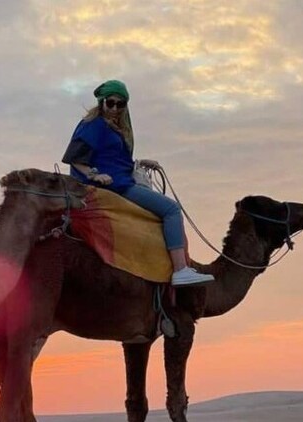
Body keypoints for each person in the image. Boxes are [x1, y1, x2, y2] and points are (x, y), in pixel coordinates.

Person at [62, 79, 214, 287]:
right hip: (116, 186)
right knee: (170, 209)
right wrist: (93, 175)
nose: (115, 108)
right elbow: (75, 157)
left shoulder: (112, 128)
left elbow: (112, 159)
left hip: (120, 180)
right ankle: (180, 270)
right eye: (111, 103)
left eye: (120, 104)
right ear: (102, 102)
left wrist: (139, 163)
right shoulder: (93, 125)